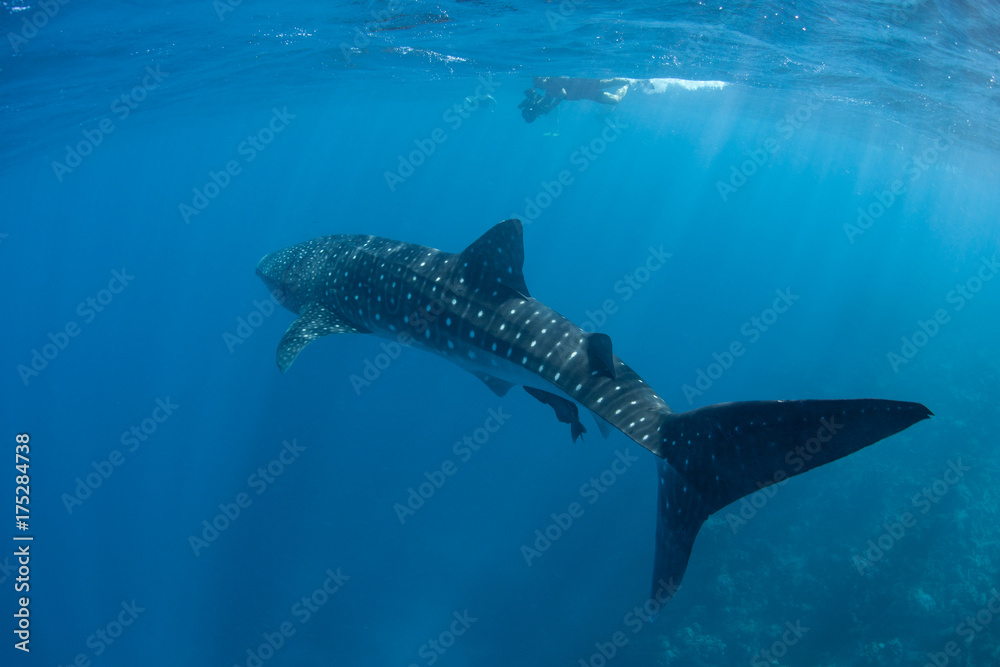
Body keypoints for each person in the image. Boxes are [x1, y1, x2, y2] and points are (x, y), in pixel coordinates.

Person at [519, 77, 631, 122]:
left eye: (538, 83)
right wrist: (542, 106)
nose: (538, 86)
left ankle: (629, 83)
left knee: (613, 89)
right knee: (613, 94)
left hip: (587, 87)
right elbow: (549, 98)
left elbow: (562, 93)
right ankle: (628, 84)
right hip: (586, 91)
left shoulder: (551, 82)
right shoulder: (549, 89)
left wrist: (551, 107)